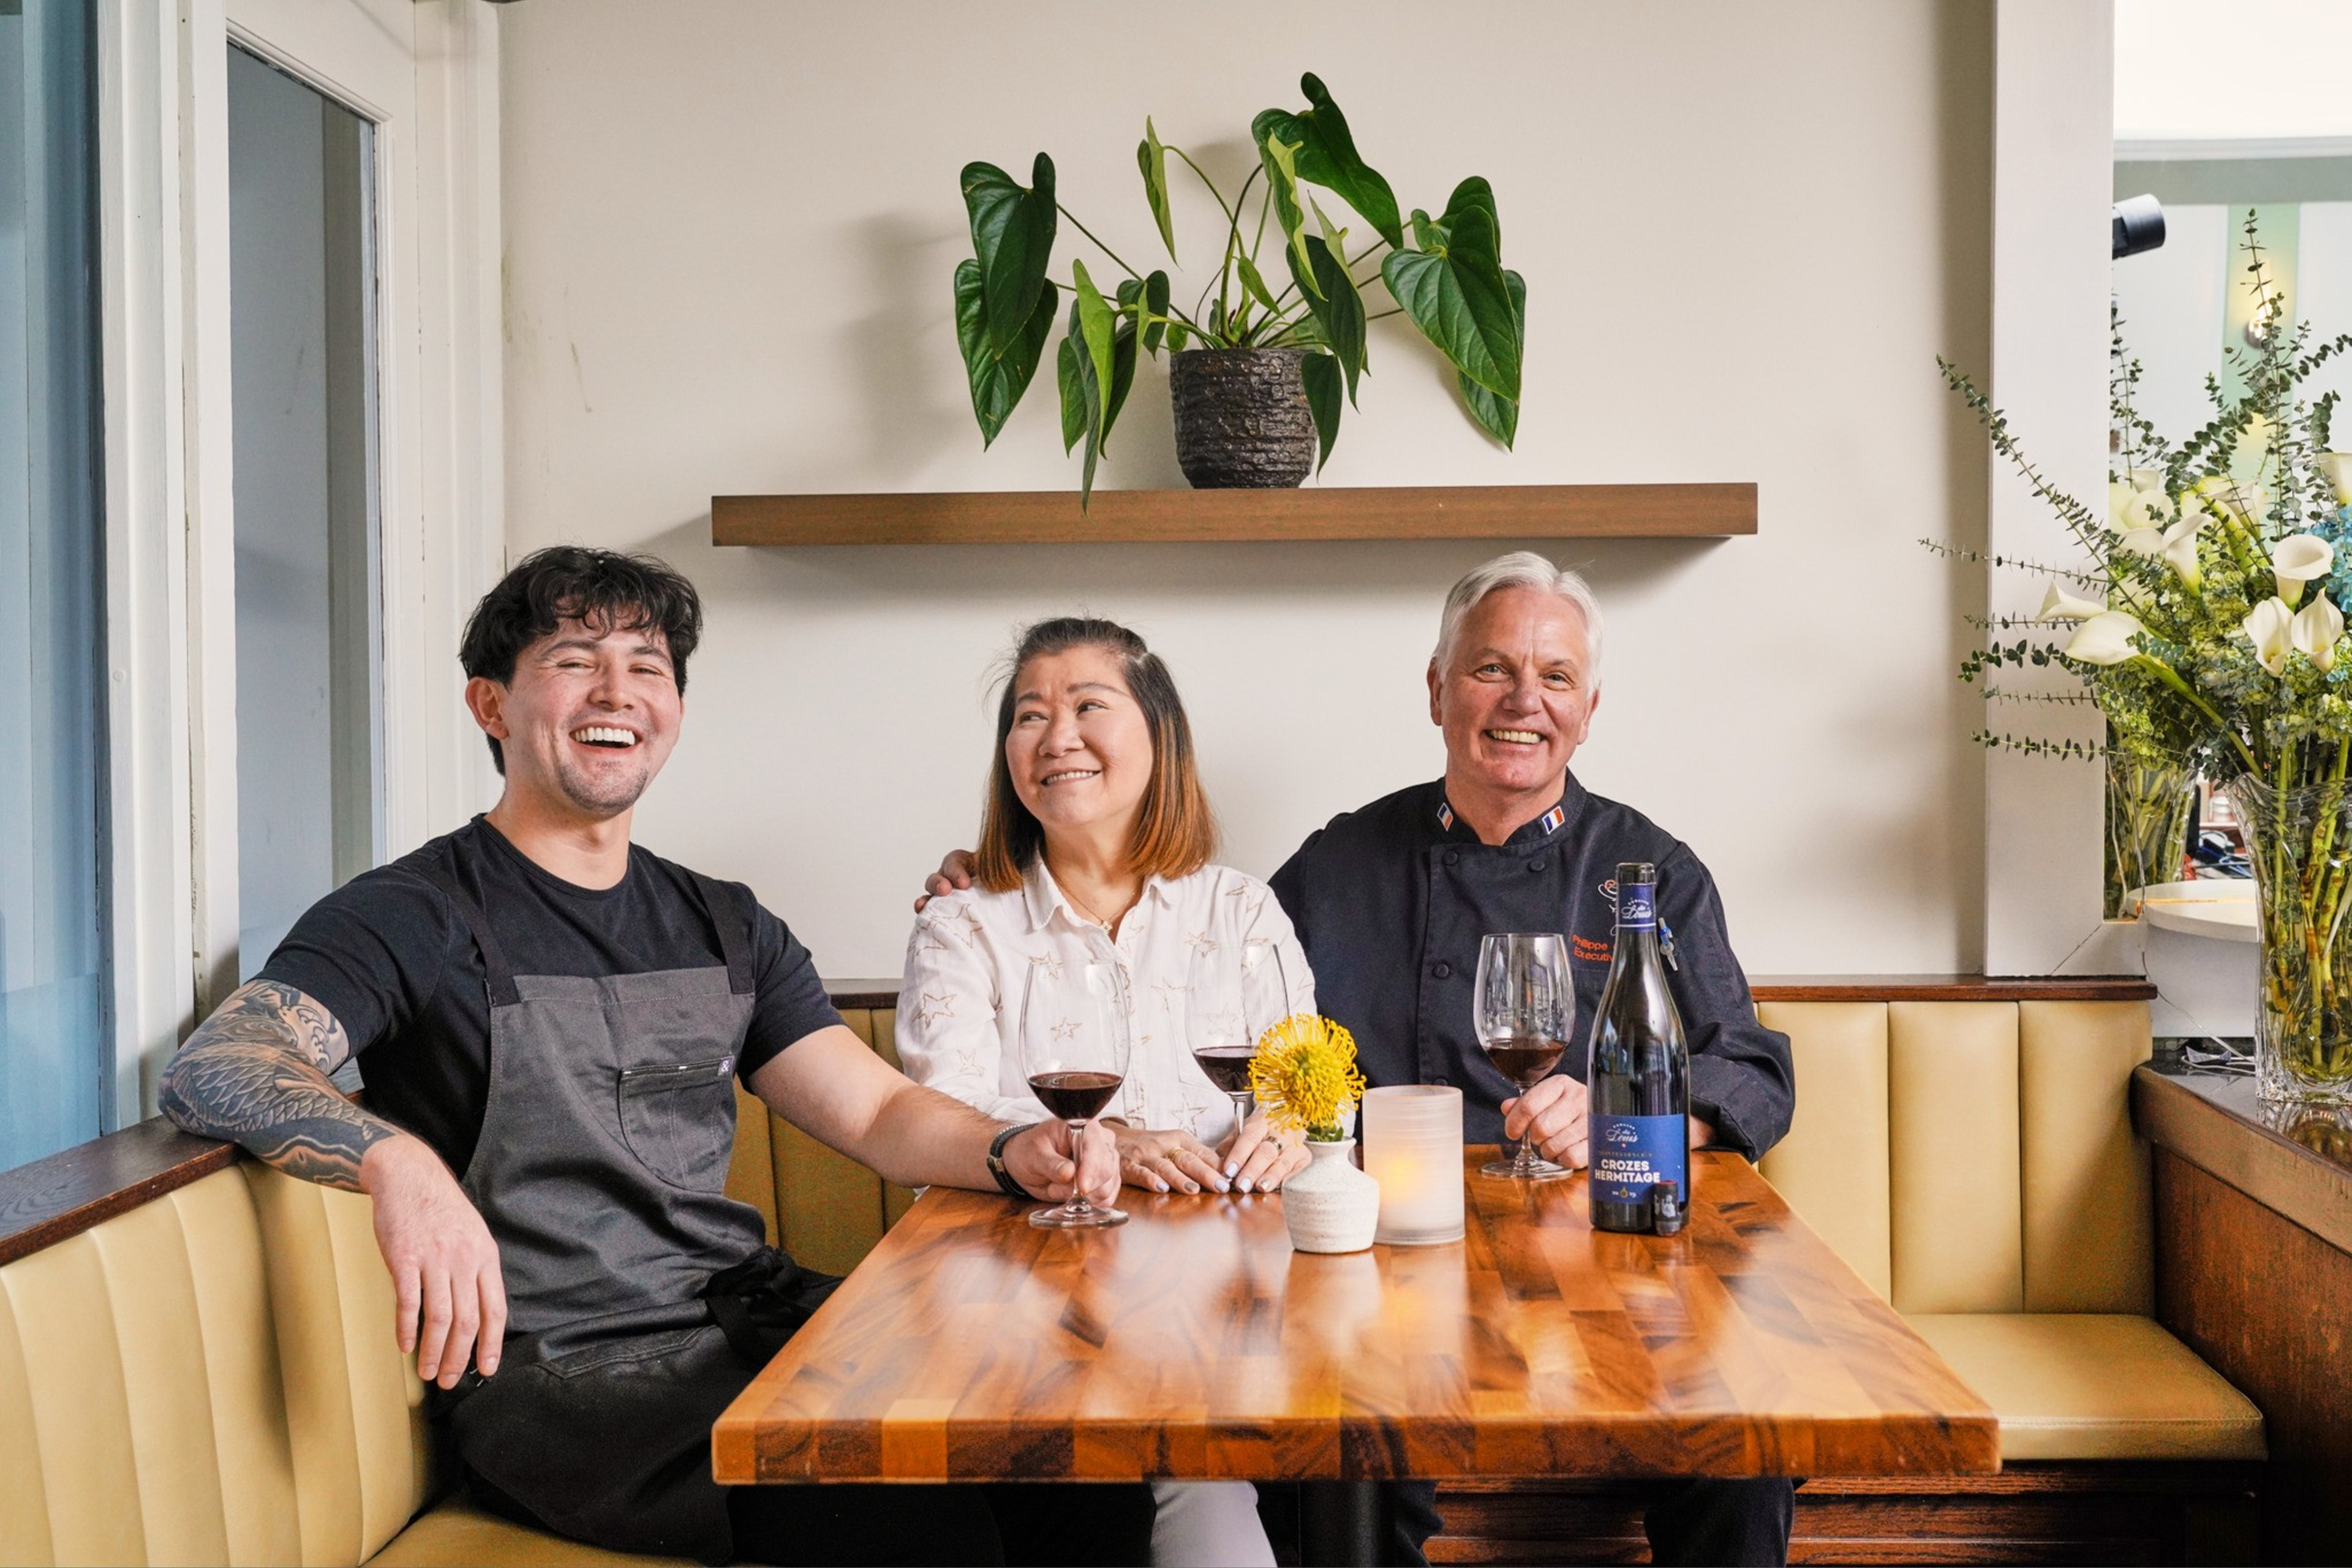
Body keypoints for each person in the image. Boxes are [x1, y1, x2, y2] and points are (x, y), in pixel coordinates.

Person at [160, 548, 1155, 1568]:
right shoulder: (414, 912)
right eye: (575, 659)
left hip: (746, 1323)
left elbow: (875, 1118)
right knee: (915, 1528)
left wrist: (1012, 1149)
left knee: (1075, 1458)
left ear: (675, 707)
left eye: (647, 665)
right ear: (490, 706)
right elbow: (219, 1060)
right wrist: (395, 1162)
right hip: (571, 1380)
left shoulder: (724, 920)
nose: (616, 691)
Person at [922, 552, 1798, 1566]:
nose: (1524, 701)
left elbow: (1753, 1070)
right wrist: (990, 879)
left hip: (1600, 1262)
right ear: (1436, 689)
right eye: (1490, 670)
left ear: (1589, 706)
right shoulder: (1339, 865)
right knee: (1340, 1461)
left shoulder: (1647, 874)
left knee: (1745, 1451)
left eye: (1555, 677)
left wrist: (1632, 1127)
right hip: (1384, 1272)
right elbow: (1220, 985)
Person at [898, 616, 1310, 1568]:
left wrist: (1296, 1126)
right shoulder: (964, 925)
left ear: (1159, 737)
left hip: (1231, 1305)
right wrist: (1106, 1140)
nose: (1057, 737)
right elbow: (942, 1116)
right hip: (1031, 1307)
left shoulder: (1240, 909)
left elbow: (1308, 1090)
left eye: (1089, 706)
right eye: (1030, 716)